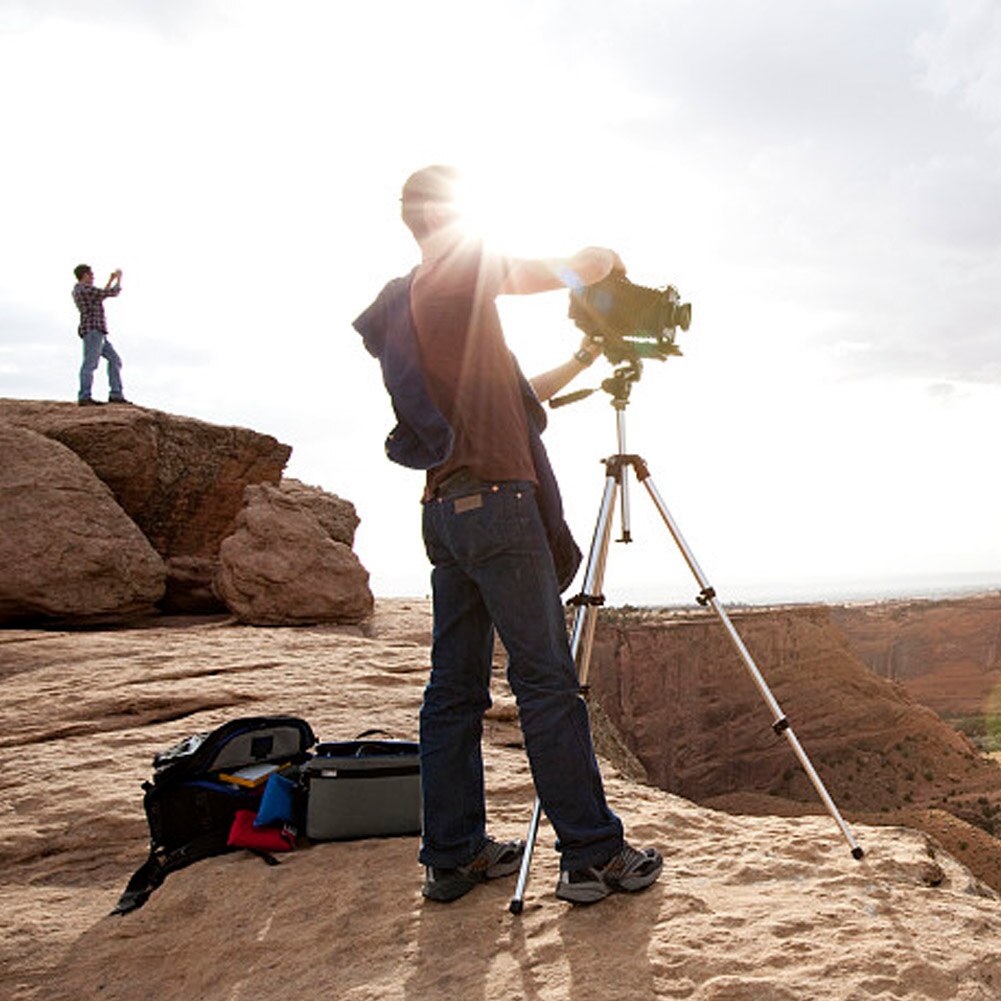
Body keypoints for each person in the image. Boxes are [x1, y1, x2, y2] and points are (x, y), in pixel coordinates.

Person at [353, 165, 662, 905]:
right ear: (446, 219)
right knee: (545, 683)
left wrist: (589, 357)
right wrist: (597, 258)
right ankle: (592, 854)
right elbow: (538, 272)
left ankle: (452, 853)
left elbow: (525, 396)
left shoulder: (417, 307)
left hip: (445, 510)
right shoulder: (451, 276)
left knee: (453, 690)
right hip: (496, 503)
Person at [72, 263, 130, 406]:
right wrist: (118, 279)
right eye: (91, 274)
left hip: (97, 331)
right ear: (85, 275)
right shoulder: (83, 289)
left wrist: (110, 281)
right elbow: (111, 293)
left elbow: (100, 296)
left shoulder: (83, 290)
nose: (93, 277)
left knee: (115, 360)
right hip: (93, 330)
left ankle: (116, 394)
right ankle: (85, 396)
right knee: (90, 364)